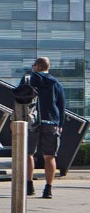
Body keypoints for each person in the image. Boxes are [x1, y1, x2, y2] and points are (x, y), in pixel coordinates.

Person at [18, 57, 66, 199]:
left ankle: (29, 185)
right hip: (51, 122)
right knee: (49, 156)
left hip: (31, 122)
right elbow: (61, 106)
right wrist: (60, 124)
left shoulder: (28, 80)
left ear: (38, 66)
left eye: (34, 65)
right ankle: (48, 189)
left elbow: (19, 101)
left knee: (28, 154)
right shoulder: (56, 84)